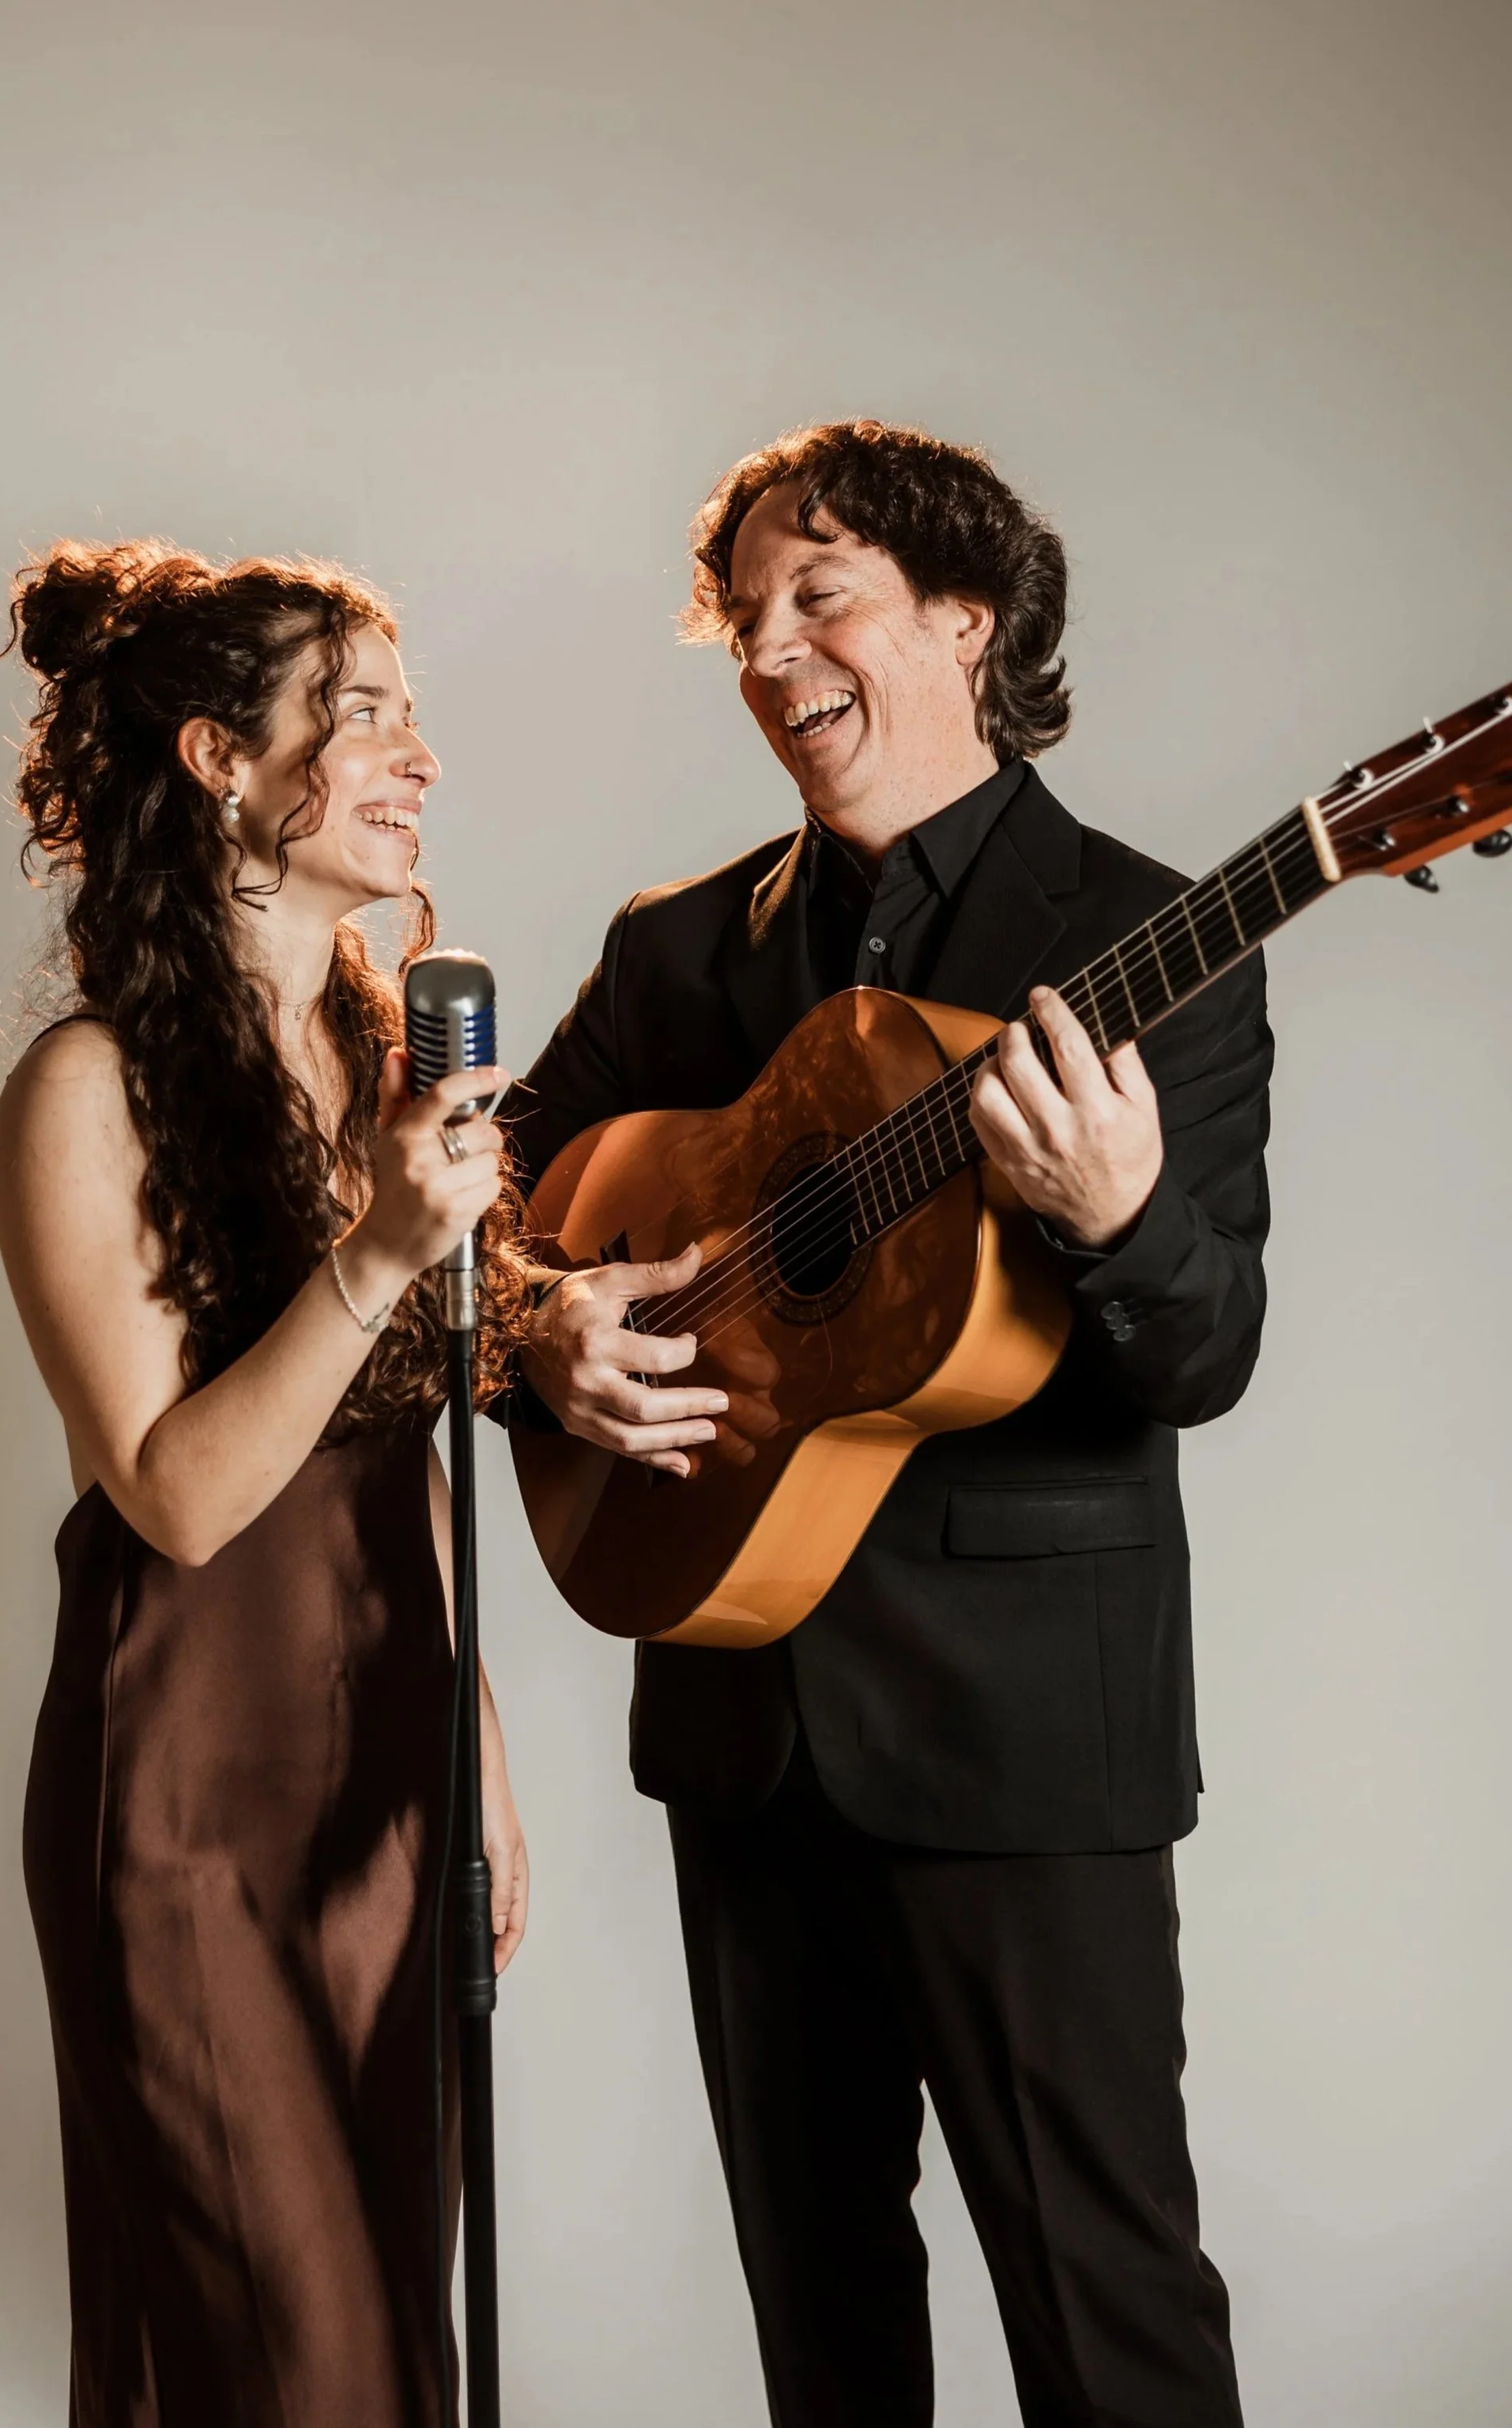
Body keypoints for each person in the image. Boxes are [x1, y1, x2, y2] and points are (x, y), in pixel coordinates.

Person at [511, 421, 1269, 2425]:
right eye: (741, 615)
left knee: (1110, 2318)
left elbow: (1198, 1352)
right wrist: (544, 1326)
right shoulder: (677, 952)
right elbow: (483, 1220)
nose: (770, 652)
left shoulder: (1143, 935)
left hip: (1026, 1744)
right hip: (742, 1730)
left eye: (818, 592)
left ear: (967, 613)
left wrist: (1120, 1218)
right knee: (824, 2338)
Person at [0, 540, 529, 2428]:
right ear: (226, 759)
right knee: (309, 2376)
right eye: (364, 711)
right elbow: (179, 1493)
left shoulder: (381, 1059)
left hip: (392, 1785)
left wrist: (482, 1749)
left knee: (394, 2344)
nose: (416, 756)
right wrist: (379, 1249)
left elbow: (408, 1441)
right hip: (191, 1815)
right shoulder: (88, 1086)